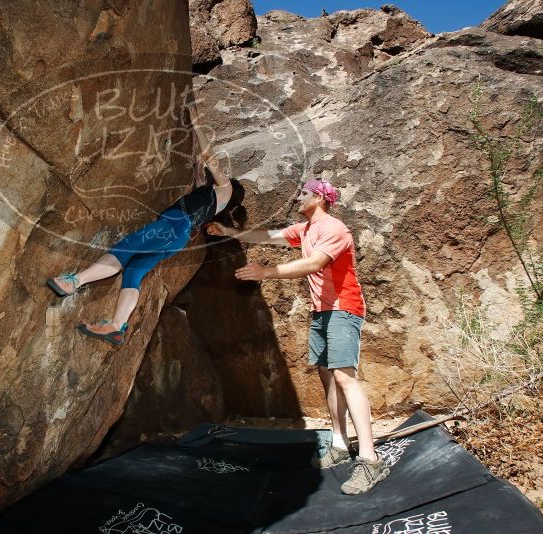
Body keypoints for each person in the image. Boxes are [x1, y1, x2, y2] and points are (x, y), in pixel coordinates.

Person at [206, 179, 389, 495]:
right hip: (322, 311)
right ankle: (339, 444)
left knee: (345, 378)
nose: (297, 197)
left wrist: (268, 272)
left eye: (303, 193)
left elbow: (316, 262)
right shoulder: (303, 231)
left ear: (320, 197)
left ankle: (370, 460)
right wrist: (229, 232)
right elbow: (267, 236)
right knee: (327, 377)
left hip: (344, 309)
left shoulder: (335, 229)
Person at [47, 106, 233, 346]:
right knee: (134, 271)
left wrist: (196, 121)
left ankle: (74, 282)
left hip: (172, 226)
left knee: (124, 250)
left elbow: (209, 158)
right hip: (176, 237)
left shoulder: (225, 190)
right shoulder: (211, 200)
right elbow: (199, 168)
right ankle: (116, 327)